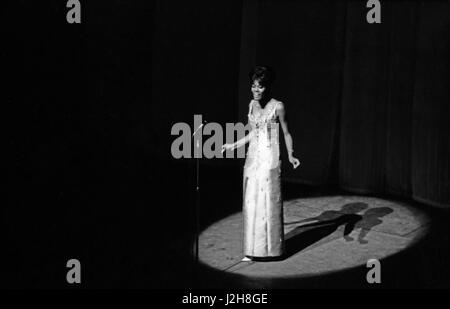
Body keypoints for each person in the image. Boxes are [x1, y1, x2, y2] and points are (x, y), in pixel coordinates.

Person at [222, 66, 300, 261]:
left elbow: (286, 132)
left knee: (268, 203)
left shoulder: (278, 106)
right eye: (253, 86)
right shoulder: (252, 105)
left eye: (260, 87)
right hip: (253, 158)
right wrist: (234, 144)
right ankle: (252, 250)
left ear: (268, 87)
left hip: (270, 157)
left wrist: (291, 155)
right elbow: (253, 133)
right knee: (251, 202)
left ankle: (272, 250)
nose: (256, 90)